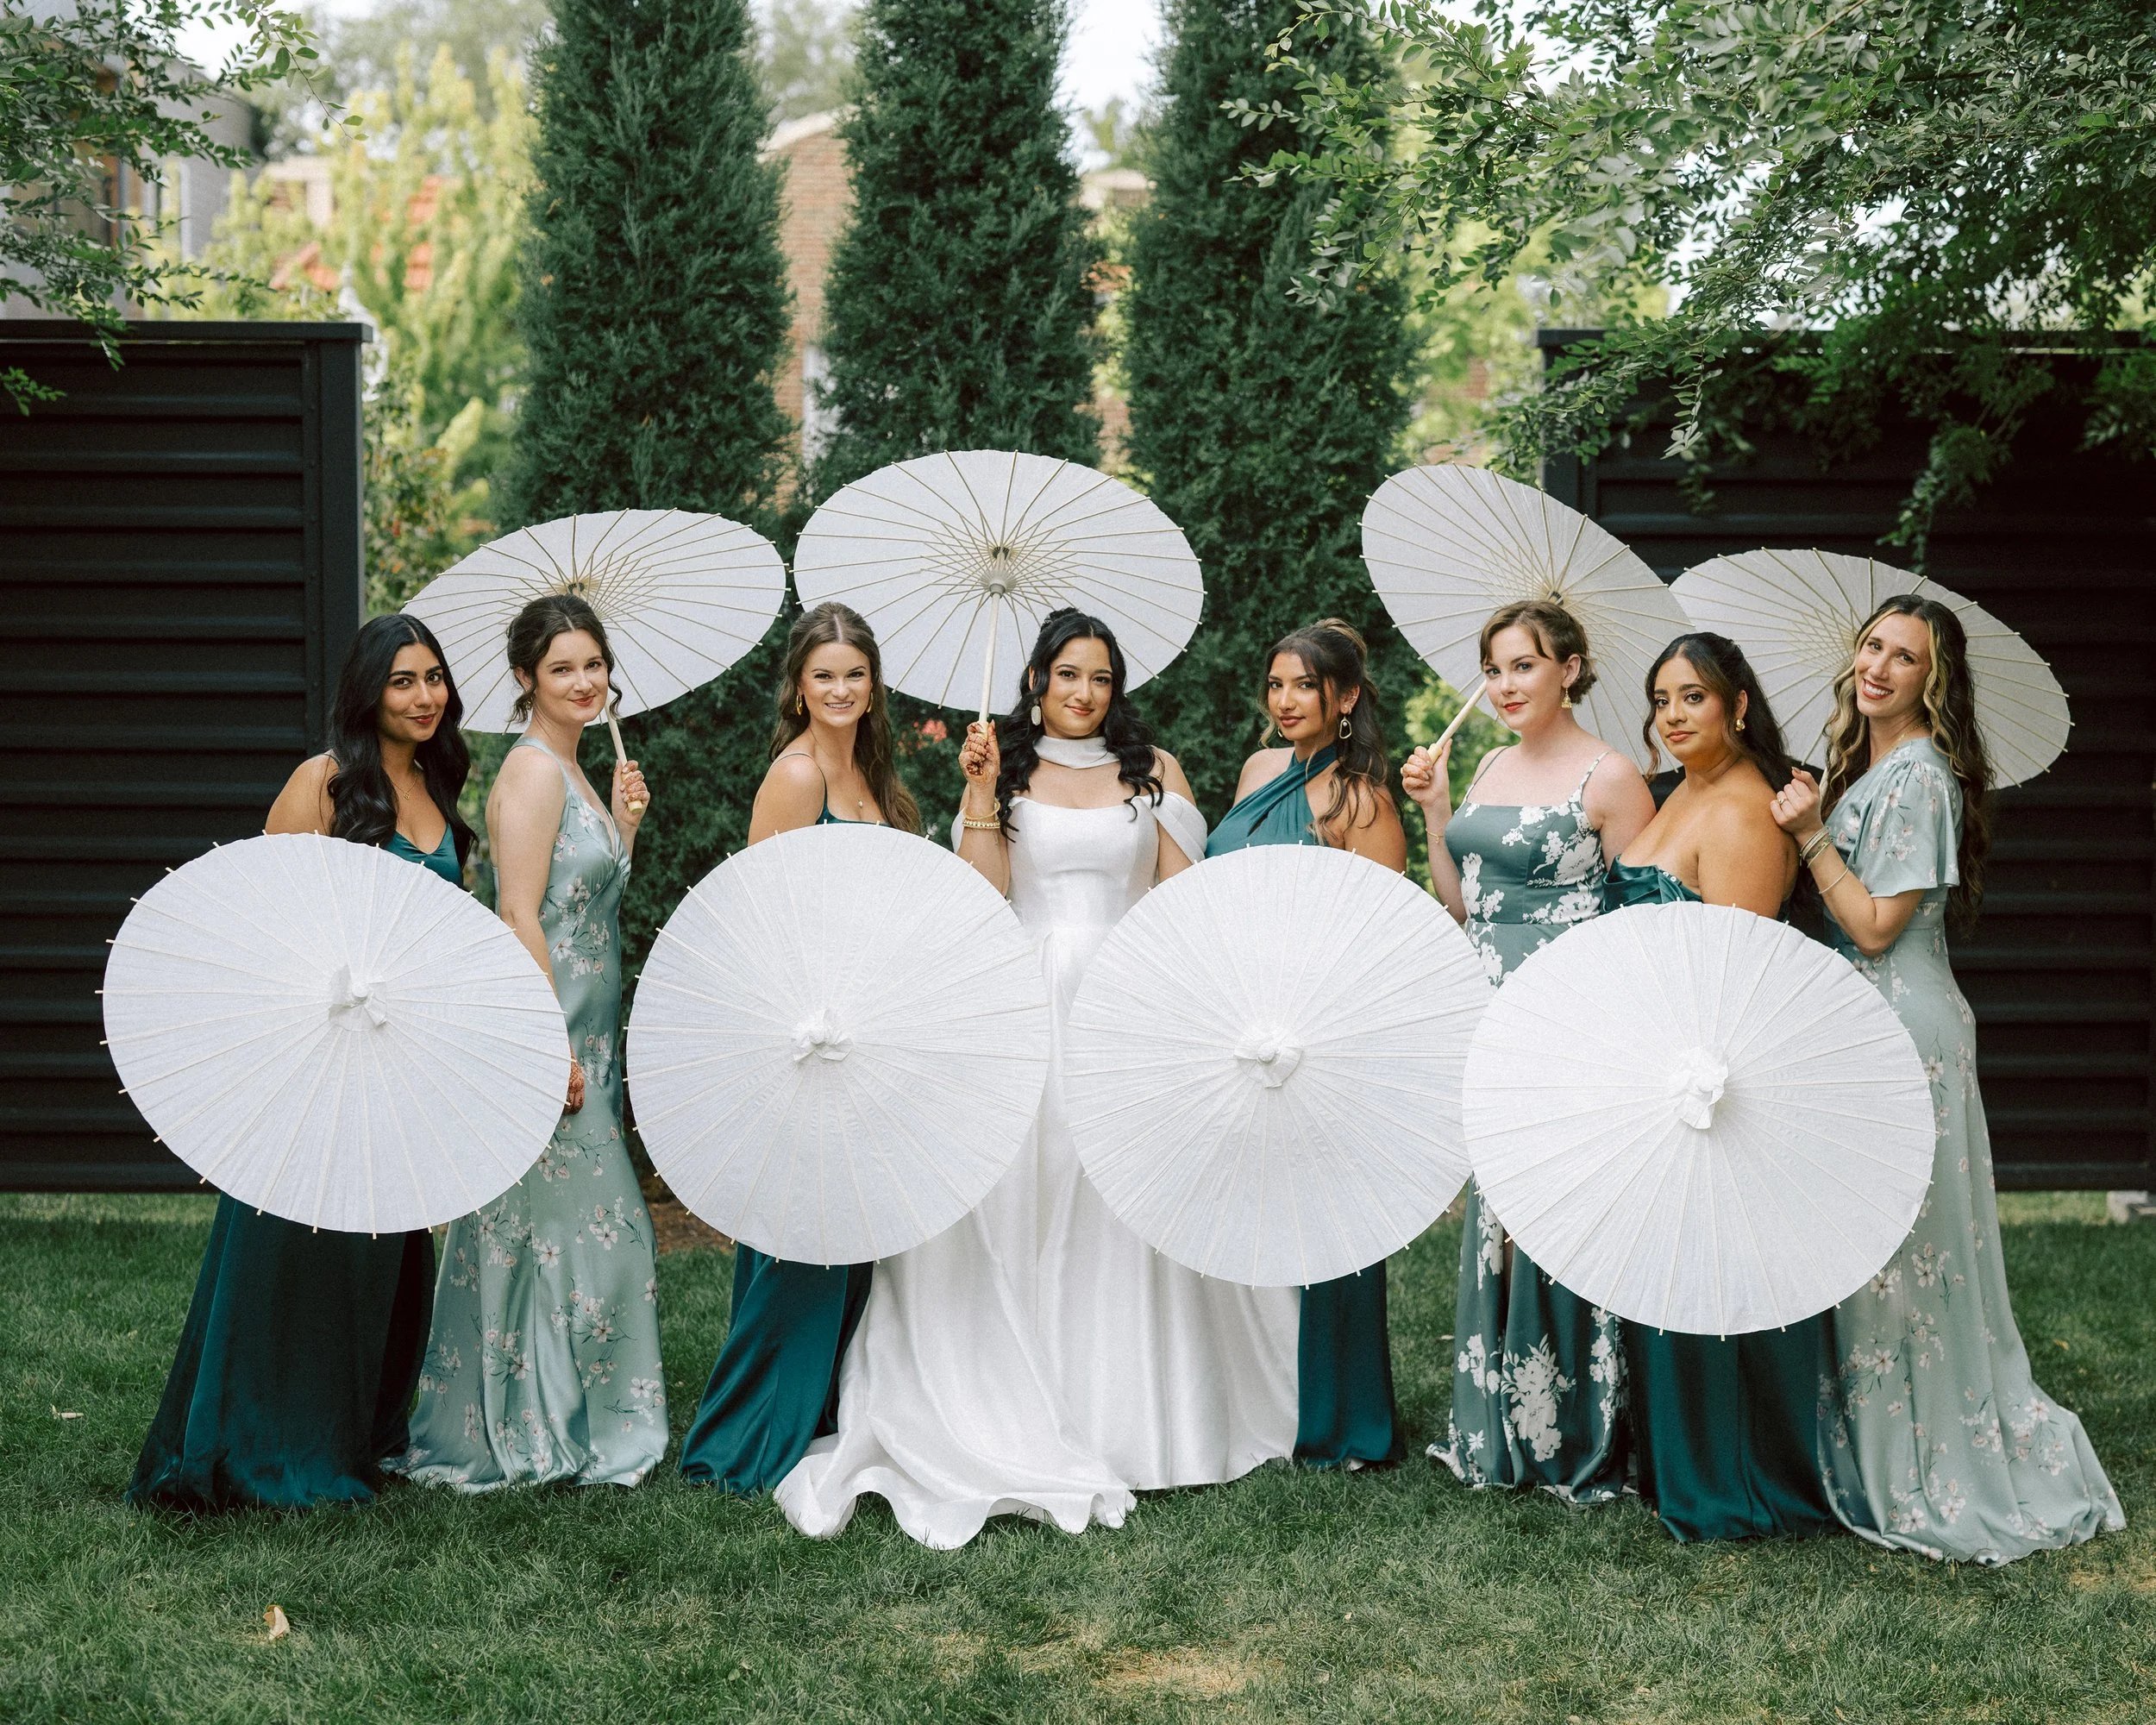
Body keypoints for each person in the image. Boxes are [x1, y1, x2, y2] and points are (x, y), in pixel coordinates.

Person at [778, 609, 1255, 1545]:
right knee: (1013, 1189)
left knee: (1110, 1196)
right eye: (1067, 673)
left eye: (1101, 678)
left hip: (1121, 998)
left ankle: (1132, 1416)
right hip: (1023, 991)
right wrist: (985, 793)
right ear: (1035, 677)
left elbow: (1177, 900)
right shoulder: (1003, 761)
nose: (1083, 692)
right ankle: (996, 1393)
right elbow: (983, 889)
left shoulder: (1152, 771)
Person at [1771, 596, 2124, 1563]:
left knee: (1903, 1246)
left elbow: (1878, 924)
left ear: (1935, 679)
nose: (1880, 667)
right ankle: (1860, 1427)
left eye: (1906, 657)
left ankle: (1921, 1446)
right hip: (1864, 1021)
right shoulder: (1870, 763)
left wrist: (1810, 836)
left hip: (1904, 1023)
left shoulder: (1922, 774)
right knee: (1866, 1238)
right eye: (1873, 646)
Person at [130, 614, 467, 1509]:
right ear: (367, 690)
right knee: (293, 1247)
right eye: (402, 680)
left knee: (375, 1252)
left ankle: (350, 1435)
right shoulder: (322, 782)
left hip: (394, 1063)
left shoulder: (441, 785)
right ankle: (255, 1446)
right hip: (319, 1058)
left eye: (433, 677)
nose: (424, 695)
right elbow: (263, 920)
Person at [393, 594, 665, 1490]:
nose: (585, 681)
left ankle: (574, 1413)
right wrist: (551, 1050)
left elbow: (579, 896)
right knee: (583, 1233)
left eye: (593, 663)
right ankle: (524, 1423)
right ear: (523, 679)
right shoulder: (534, 773)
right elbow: (516, 910)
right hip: (554, 1037)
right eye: (562, 668)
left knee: (571, 1234)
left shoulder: (581, 770)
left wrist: (622, 828)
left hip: (591, 1030)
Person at [1401, 599, 1655, 1500]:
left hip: (1568, 1020)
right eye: (1494, 669)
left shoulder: (1612, 775)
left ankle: (1569, 1426)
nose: (1504, 685)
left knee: (1562, 1210)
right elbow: (1464, 904)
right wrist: (1435, 811)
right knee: (1501, 1207)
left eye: (1523, 666)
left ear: (1571, 669)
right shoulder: (1489, 763)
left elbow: (1646, 920)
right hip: (1488, 1012)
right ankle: (1495, 1420)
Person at [1604, 630, 1854, 1542]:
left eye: (1693, 698)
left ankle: (1732, 1473)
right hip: (1654, 1059)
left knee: (1716, 1270)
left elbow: (1740, 975)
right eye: (1661, 699)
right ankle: (1675, 1460)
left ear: (1737, 704)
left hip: (1710, 1076)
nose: (1672, 716)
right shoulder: (1675, 794)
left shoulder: (1747, 809)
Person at [679, 603, 917, 1496]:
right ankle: (735, 1441)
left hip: (866, 1026)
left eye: (855, 673)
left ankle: (815, 1411)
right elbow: (755, 909)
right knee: (798, 1239)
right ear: (797, 686)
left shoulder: (873, 778)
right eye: (824, 675)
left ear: (873, 684)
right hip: (806, 1030)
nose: (841, 689)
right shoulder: (797, 773)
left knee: (847, 1236)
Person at [1208, 619, 1410, 1469]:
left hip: (1321, 1027)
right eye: (1276, 683)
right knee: (1253, 1210)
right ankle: (1259, 1397)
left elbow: (1377, 935)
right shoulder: (1259, 772)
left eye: (1305, 686)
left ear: (1347, 698)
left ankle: (1344, 1417)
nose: (1286, 701)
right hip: (1240, 1018)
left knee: (1330, 1222)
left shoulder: (1361, 802)